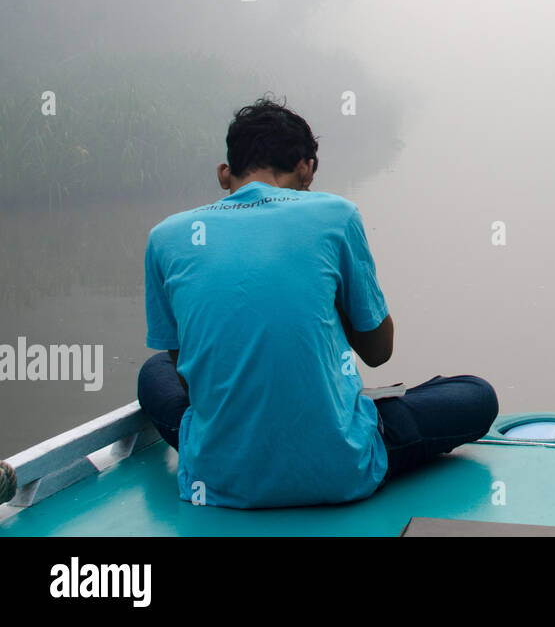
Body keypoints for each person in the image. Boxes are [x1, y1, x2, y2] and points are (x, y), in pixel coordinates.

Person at [136, 96, 498, 508]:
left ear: (224, 174)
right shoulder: (335, 214)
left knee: (155, 370)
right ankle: (351, 416)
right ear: (307, 168)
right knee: (475, 395)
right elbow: (379, 352)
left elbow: (188, 379)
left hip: (219, 477)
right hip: (340, 468)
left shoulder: (166, 237)